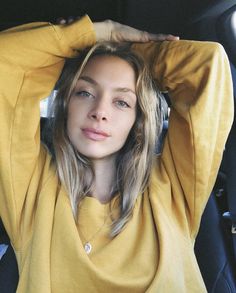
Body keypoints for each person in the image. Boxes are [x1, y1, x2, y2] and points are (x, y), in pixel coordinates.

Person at [0, 14, 234, 293]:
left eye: (121, 101)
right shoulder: (32, 192)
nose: (100, 112)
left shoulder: (172, 189)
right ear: (65, 106)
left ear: (138, 120)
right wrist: (89, 36)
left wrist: (132, 49)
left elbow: (208, 65)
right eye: (85, 93)